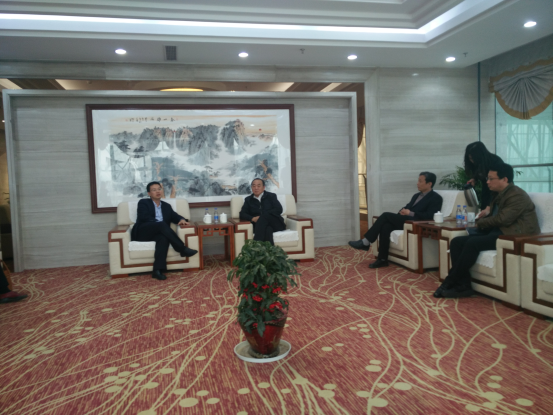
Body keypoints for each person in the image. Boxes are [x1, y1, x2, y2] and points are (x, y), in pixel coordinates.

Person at [435, 162, 540, 299]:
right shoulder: (498, 194)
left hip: (514, 235)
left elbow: (503, 219)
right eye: (487, 178)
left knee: (472, 243)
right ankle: (464, 285)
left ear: (504, 179)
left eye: (491, 179)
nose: (487, 182)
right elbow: (495, 217)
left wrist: (478, 223)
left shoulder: (517, 195)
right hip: (501, 231)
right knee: (456, 242)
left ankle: (449, 281)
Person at [350, 172, 443, 269]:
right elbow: (407, 207)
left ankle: (366, 241)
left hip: (415, 223)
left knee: (385, 215)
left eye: (420, 181)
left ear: (429, 183)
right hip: (406, 220)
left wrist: (410, 213)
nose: (417, 183)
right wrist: (402, 212)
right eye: (418, 181)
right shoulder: (416, 195)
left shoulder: (436, 198)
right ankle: (382, 259)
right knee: (386, 226)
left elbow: (430, 215)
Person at [131, 181, 198, 281]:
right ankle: (182, 249)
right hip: (143, 232)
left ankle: (157, 270)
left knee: (163, 238)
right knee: (161, 224)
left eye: (159, 189)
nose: (158, 191)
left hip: (158, 233)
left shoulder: (166, 206)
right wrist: (159, 224)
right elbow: (144, 217)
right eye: (154, 190)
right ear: (149, 193)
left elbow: (175, 216)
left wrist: (181, 220)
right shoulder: (143, 203)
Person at [239, 178, 286, 245]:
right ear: (251, 187)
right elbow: (242, 214)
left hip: (276, 224)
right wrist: (252, 218)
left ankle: (255, 245)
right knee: (268, 230)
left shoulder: (271, 196)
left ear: (263, 187)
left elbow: (279, 209)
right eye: (254, 186)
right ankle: (269, 250)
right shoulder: (248, 200)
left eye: (258, 186)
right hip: (259, 226)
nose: (256, 188)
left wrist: (263, 216)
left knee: (264, 216)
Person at [464, 141, 504, 213]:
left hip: (499, 192)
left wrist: (489, 206)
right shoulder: (477, 163)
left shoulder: (496, 162)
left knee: (494, 213)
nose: (472, 161)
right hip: (486, 190)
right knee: (484, 212)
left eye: (473, 158)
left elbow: (500, 185)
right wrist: (475, 178)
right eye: (470, 158)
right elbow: (478, 173)